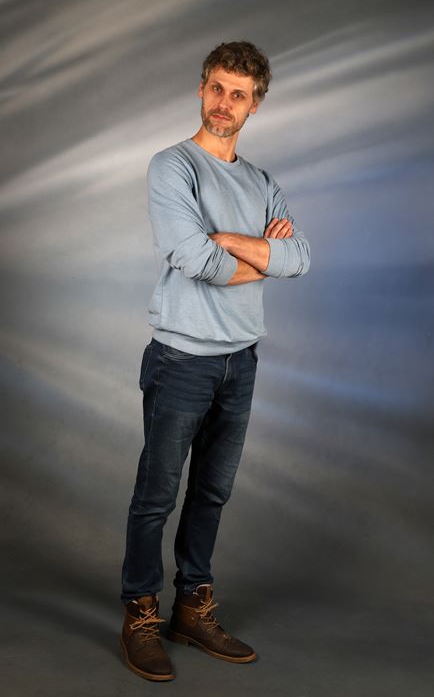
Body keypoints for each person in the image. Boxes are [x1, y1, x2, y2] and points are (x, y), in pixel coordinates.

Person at [119, 40, 310, 682]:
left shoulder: (262, 182)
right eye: (218, 88)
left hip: (240, 361)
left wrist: (227, 238)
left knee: (212, 493)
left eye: (239, 94)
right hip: (180, 359)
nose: (225, 103)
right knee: (156, 495)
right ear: (202, 89)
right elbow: (193, 259)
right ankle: (141, 612)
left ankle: (191, 609)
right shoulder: (172, 167)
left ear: (255, 106)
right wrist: (261, 253)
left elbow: (301, 259)